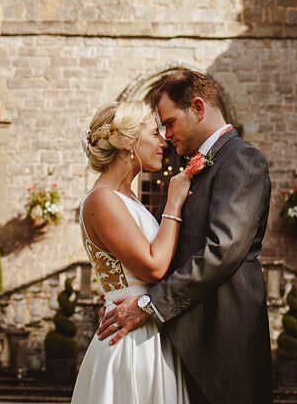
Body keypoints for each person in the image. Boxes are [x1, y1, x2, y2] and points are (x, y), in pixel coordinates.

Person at [97, 70, 273, 404]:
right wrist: (120, 298)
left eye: (170, 122)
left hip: (224, 344)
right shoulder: (191, 168)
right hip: (181, 344)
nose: (166, 135)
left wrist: (148, 305)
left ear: (198, 107)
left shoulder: (242, 159)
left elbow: (223, 250)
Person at [71, 99, 193, 404]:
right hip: (131, 344)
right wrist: (174, 203)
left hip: (150, 329)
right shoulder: (103, 200)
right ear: (128, 143)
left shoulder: (129, 200)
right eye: (154, 133)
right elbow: (153, 267)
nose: (163, 141)